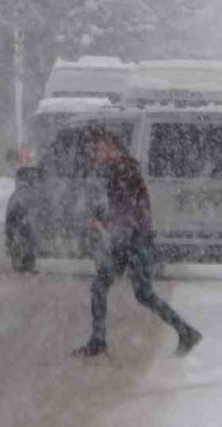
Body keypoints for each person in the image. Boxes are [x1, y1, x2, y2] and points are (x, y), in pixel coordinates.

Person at [73, 127, 202, 358]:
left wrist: (112, 225)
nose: (94, 153)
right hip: (132, 238)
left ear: (110, 144)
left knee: (130, 291)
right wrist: (104, 220)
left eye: (96, 147)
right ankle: (99, 340)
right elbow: (127, 206)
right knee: (127, 291)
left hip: (132, 240)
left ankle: (186, 332)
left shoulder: (123, 169)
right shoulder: (120, 168)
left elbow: (129, 208)